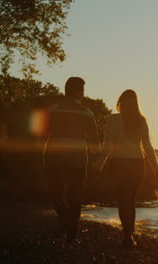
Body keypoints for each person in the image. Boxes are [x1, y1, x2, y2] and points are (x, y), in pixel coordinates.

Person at [98, 89, 158, 248]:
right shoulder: (141, 120)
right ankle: (129, 235)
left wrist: (98, 165)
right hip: (136, 164)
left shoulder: (112, 119)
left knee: (123, 200)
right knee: (130, 200)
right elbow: (148, 147)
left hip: (119, 164)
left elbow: (107, 147)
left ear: (120, 102)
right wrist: (156, 170)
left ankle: (127, 235)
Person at [43, 77, 101, 244]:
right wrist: (97, 159)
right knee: (75, 195)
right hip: (77, 158)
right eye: (82, 90)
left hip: (55, 156)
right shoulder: (86, 112)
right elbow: (94, 140)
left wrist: (41, 152)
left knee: (56, 194)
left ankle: (66, 225)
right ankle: (71, 233)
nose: (83, 93)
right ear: (77, 91)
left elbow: (41, 134)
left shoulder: (52, 110)